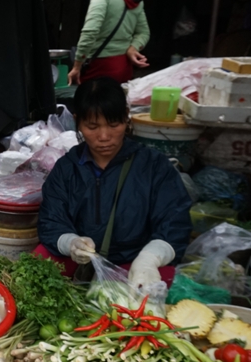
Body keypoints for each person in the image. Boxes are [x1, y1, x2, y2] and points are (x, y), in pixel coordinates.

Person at [35, 78, 192, 289]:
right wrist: (70, 242)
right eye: (92, 126)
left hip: (133, 262)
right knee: (36, 265)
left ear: (127, 118)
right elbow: (51, 219)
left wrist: (150, 258)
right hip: (80, 261)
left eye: (113, 124)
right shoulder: (67, 169)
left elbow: (175, 221)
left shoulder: (153, 166)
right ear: (77, 121)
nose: (104, 136)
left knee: (164, 282)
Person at [67, 0, 150, 86]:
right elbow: (144, 32)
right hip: (124, 68)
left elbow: (90, 32)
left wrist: (77, 66)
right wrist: (132, 48)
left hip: (100, 67)